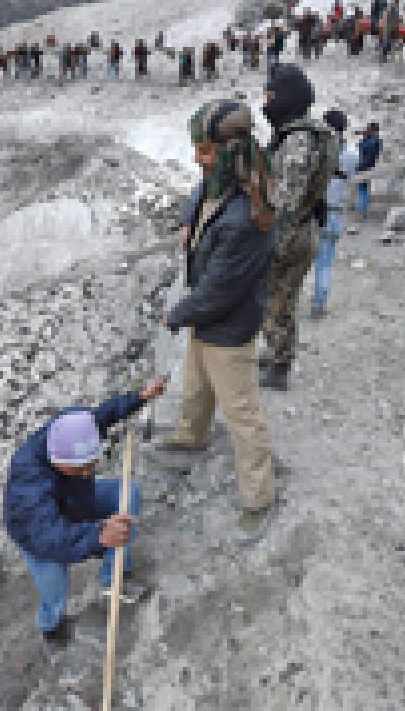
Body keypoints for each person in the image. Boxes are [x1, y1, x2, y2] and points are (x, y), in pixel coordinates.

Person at [167, 100, 277, 543]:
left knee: (242, 414)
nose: (198, 159)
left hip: (228, 327)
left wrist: (177, 314)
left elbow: (220, 291)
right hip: (207, 318)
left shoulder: (247, 217)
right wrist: (185, 223)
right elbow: (199, 195)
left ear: (228, 153)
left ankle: (258, 498)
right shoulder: (225, 182)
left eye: (206, 151)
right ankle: (192, 436)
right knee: (195, 386)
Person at [4, 378, 166, 646]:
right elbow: (50, 536)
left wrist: (141, 397)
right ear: (57, 460)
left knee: (127, 493)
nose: (87, 473)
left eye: (91, 465)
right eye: (79, 469)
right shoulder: (28, 481)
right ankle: (51, 625)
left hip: (74, 501)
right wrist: (99, 535)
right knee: (55, 590)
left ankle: (112, 578)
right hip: (40, 537)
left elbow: (102, 415)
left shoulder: (72, 428)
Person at [259, 65, 337, 390]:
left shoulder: (298, 141)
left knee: (278, 299)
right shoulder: (322, 135)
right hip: (307, 227)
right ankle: (277, 352)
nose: (267, 103)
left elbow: (286, 202)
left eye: (272, 96)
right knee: (283, 298)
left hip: (289, 234)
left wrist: (269, 243)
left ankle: (280, 364)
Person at [312, 110, 355, 319]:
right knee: (326, 263)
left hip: (318, 212)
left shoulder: (320, 151)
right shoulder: (351, 153)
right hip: (337, 212)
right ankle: (320, 302)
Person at [355, 123, 383, 219]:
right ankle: (362, 211)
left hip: (364, 167)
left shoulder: (373, 141)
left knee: (362, 190)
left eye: (368, 129)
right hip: (367, 167)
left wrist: (364, 139)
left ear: (373, 130)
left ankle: (361, 212)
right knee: (364, 189)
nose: (367, 130)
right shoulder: (374, 140)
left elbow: (362, 148)